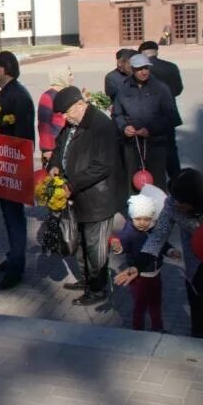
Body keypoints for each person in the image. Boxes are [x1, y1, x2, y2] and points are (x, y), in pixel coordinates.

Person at [123, 169, 203, 339]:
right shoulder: (171, 205)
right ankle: (199, 332)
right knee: (197, 289)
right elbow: (158, 236)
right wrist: (138, 265)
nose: (175, 203)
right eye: (173, 197)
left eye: (180, 200)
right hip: (195, 250)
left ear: (194, 200)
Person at [48, 86, 127, 306]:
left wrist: (71, 185)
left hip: (98, 199)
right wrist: (54, 165)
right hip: (77, 197)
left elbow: (102, 165)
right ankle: (86, 281)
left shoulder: (101, 126)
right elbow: (59, 149)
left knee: (96, 248)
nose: (64, 118)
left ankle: (98, 289)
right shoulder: (73, 124)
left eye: (66, 113)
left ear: (80, 105)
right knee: (80, 243)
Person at [0, 51, 36, 290]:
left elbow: (23, 136)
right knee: (9, 217)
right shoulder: (8, 93)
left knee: (14, 218)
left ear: (3, 68)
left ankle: (17, 267)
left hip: (13, 168)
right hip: (6, 165)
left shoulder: (17, 95)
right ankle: (13, 257)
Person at [113, 54, 181, 194]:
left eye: (146, 68)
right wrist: (124, 127)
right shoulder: (123, 89)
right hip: (132, 143)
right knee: (132, 183)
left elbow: (172, 116)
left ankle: (160, 213)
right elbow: (117, 114)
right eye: (139, 69)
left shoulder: (161, 88)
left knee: (157, 183)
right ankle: (135, 213)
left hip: (156, 143)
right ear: (132, 69)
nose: (144, 72)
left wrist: (151, 130)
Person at [111, 193, 171, 331]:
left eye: (146, 219)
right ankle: (138, 330)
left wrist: (170, 251)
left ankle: (158, 327)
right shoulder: (129, 232)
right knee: (140, 305)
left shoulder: (154, 229)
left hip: (155, 274)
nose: (142, 223)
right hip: (138, 277)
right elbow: (123, 246)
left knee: (156, 303)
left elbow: (162, 243)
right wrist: (118, 248)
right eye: (138, 219)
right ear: (132, 217)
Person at [139, 40, 183, 181]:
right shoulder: (171, 67)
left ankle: (156, 180)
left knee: (151, 150)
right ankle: (176, 179)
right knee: (171, 149)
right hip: (168, 114)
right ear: (156, 52)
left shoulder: (141, 70)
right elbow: (178, 89)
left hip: (149, 116)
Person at [38, 67, 72, 163]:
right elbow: (44, 125)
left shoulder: (65, 93)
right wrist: (47, 149)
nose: (72, 78)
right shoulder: (47, 96)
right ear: (60, 77)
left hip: (65, 144)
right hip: (53, 147)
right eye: (69, 75)